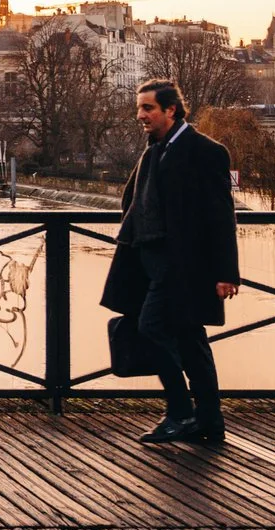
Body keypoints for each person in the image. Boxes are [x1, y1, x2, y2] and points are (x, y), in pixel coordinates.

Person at [100, 77, 241, 446]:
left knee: (151, 327)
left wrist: (226, 272)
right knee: (191, 340)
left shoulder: (205, 151)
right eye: (139, 108)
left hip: (184, 266)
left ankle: (179, 411)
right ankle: (209, 419)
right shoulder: (154, 150)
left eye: (147, 108)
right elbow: (132, 200)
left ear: (171, 110)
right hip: (151, 262)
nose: (140, 115)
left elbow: (221, 216)